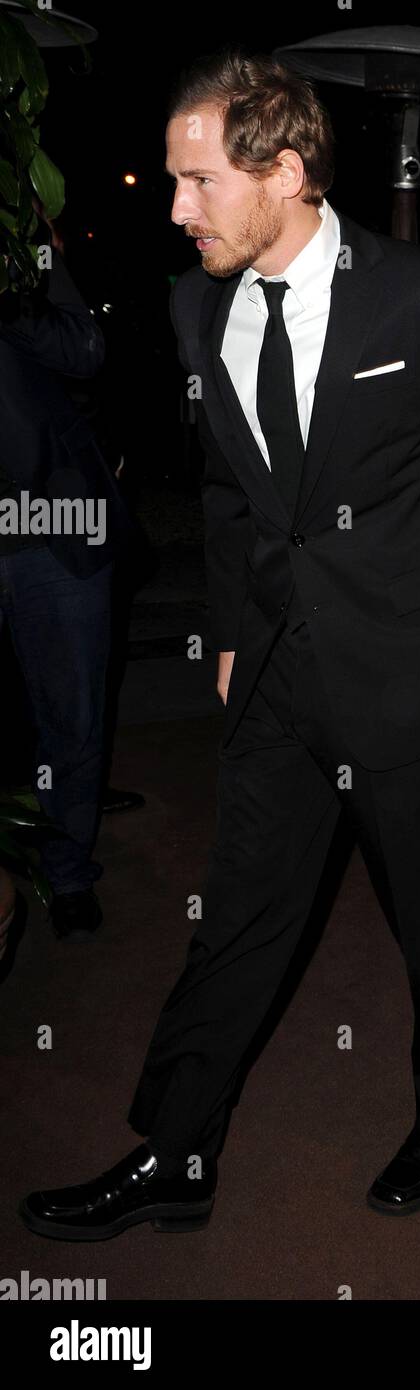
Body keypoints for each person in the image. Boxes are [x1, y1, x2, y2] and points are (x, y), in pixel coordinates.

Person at [19, 48, 420, 1240]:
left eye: (197, 180)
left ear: (287, 171)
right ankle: (176, 1149)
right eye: (173, 180)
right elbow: (224, 487)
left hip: (410, 679)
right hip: (275, 672)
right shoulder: (195, 302)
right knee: (242, 913)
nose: (174, 208)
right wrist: (220, 624)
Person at [0, 202, 132, 941]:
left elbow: (85, 350)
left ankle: (66, 868)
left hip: (54, 528)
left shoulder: (23, 250)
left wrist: (18, 289)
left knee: (72, 719)